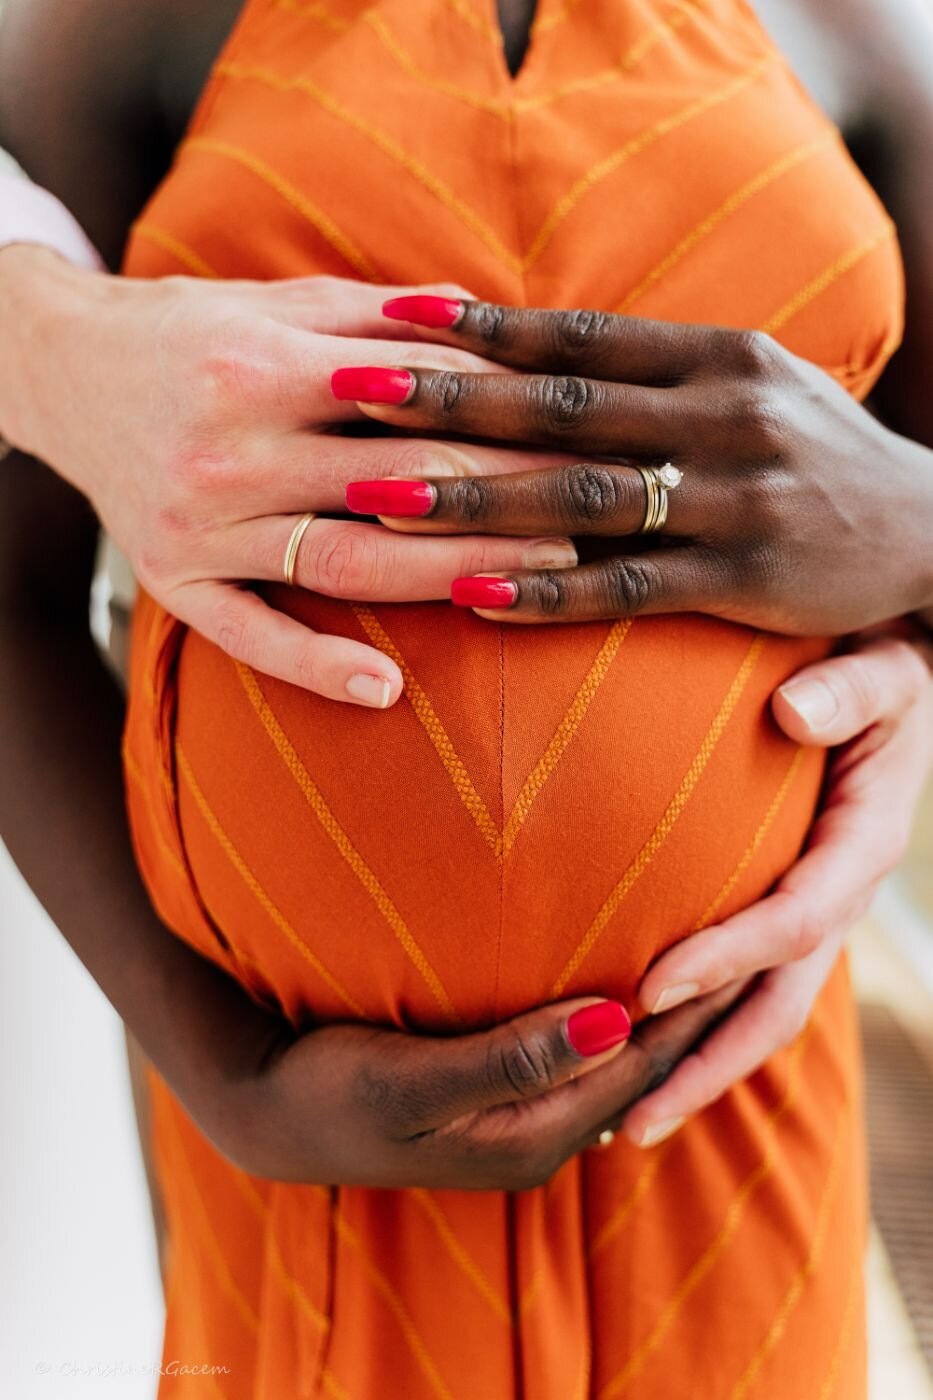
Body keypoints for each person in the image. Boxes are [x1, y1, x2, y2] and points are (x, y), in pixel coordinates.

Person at [0, 1, 931, 1396]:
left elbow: (891, 511)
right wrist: (224, 1075)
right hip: (298, 1129)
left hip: (724, 1085)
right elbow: (9, 589)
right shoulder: (110, 31)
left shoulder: (875, 40)